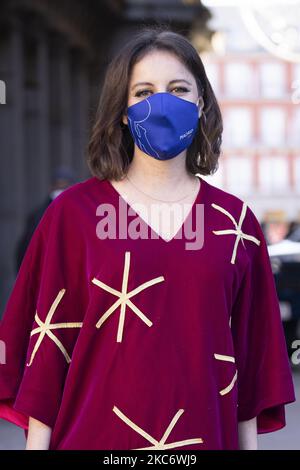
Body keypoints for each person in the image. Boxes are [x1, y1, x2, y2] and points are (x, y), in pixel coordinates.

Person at [0, 26, 295, 450]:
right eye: (143, 92)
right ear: (122, 110)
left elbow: (250, 366)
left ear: (201, 104)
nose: (161, 103)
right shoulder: (72, 216)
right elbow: (49, 349)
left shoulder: (236, 224)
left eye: (178, 89)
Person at [15, 167, 76, 271]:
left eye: (64, 186)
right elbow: (27, 249)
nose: (60, 190)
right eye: (58, 185)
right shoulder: (38, 216)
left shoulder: (78, 214)